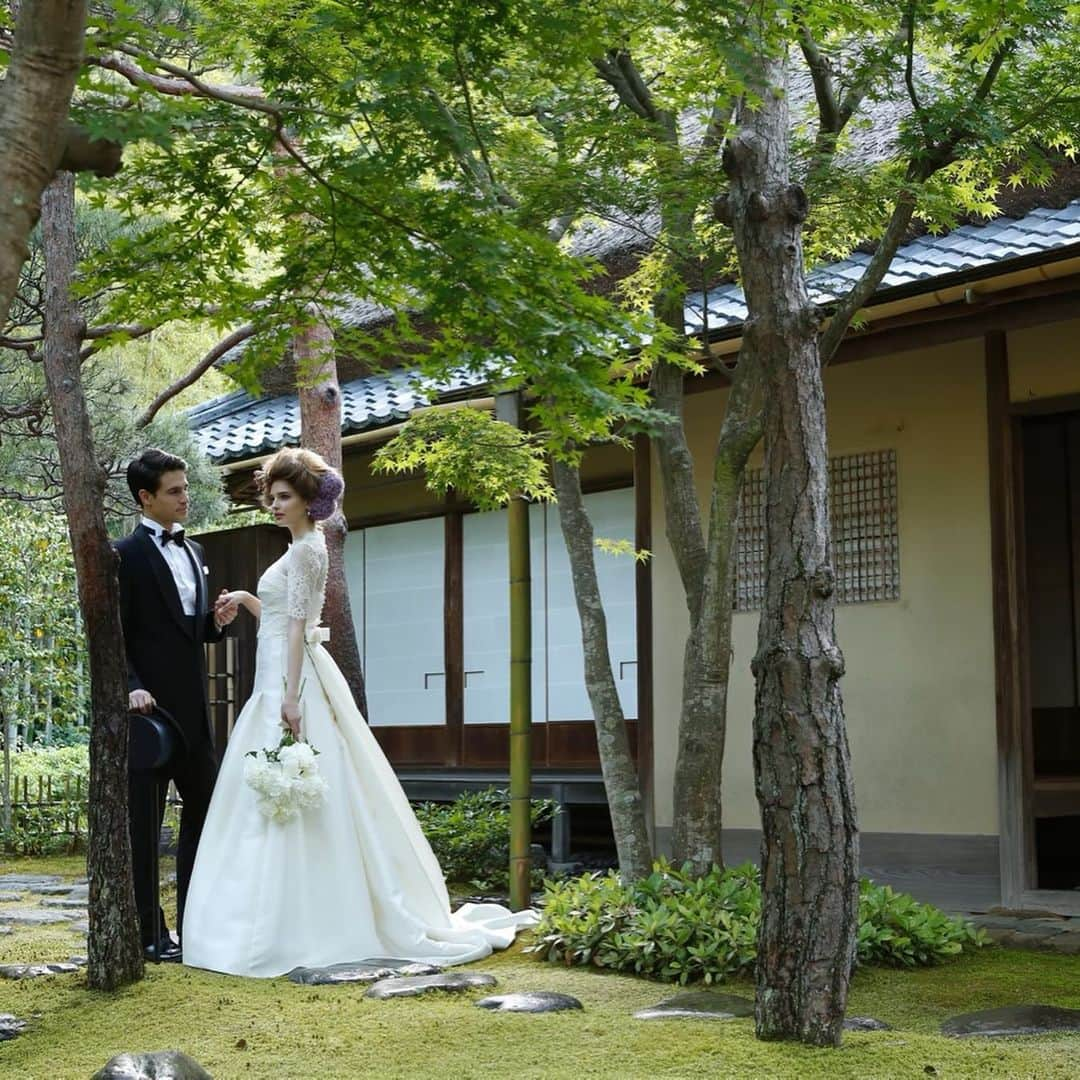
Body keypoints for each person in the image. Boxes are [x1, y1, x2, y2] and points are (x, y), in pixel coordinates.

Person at [182, 447, 536, 977]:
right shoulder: (301, 545)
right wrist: (249, 604)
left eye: (284, 498)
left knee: (305, 783)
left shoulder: (307, 549)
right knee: (277, 787)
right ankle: (270, 913)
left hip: (289, 674)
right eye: (271, 498)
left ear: (307, 501)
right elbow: (283, 616)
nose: (274, 506)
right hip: (278, 665)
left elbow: (301, 626)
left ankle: (301, 922)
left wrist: (291, 696)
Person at [115, 448, 238, 962]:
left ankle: (196, 926)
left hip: (194, 708)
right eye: (175, 491)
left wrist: (216, 621)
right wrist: (130, 684)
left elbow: (186, 630)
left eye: (185, 488)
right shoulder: (123, 555)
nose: (186, 497)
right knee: (144, 827)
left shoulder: (194, 550)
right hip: (147, 711)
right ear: (146, 497)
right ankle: (148, 935)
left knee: (206, 814)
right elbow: (112, 631)